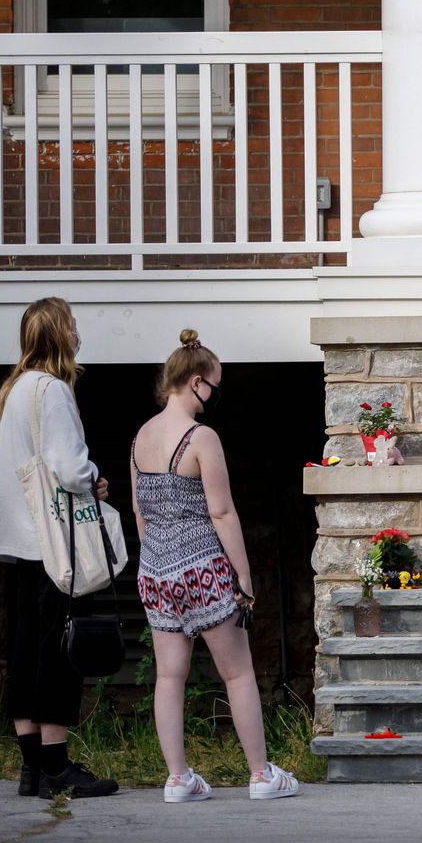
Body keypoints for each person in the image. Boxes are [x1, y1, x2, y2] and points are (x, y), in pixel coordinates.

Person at [132, 329, 299, 803]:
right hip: (203, 566)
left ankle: (179, 779)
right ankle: (262, 775)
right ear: (197, 381)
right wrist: (242, 578)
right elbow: (222, 512)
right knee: (238, 673)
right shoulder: (201, 437)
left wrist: (159, 563)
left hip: (155, 570)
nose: (215, 395)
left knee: (169, 675)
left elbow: (140, 513)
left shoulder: (140, 437)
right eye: (215, 384)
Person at [0, 296, 120, 798]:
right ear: (63, 335)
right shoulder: (53, 391)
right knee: (58, 650)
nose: (79, 335)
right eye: (74, 328)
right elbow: (67, 467)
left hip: (17, 541)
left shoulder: (14, 390)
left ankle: (32, 768)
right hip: (51, 545)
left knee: (23, 650)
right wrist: (94, 479)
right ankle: (57, 768)